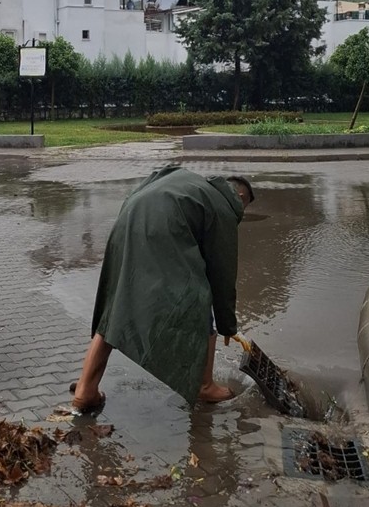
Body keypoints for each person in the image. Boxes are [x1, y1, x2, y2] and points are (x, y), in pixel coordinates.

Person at [71, 164, 254, 413]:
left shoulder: (187, 180)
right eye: (243, 210)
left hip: (127, 220)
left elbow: (155, 176)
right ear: (240, 196)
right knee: (202, 299)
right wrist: (227, 325)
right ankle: (205, 386)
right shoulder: (223, 207)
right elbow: (222, 273)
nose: (240, 216)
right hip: (160, 232)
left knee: (116, 309)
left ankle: (85, 391)